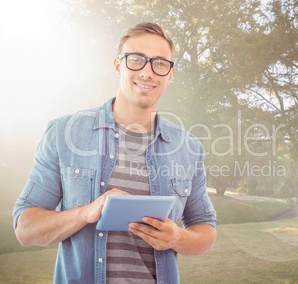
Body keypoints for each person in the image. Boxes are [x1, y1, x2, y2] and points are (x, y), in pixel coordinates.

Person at [13, 22, 217, 284]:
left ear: (171, 74)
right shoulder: (64, 132)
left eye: (159, 63)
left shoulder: (189, 148)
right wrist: (85, 213)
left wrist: (177, 238)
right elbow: (25, 228)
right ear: (118, 65)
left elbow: (206, 233)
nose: (147, 72)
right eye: (136, 59)